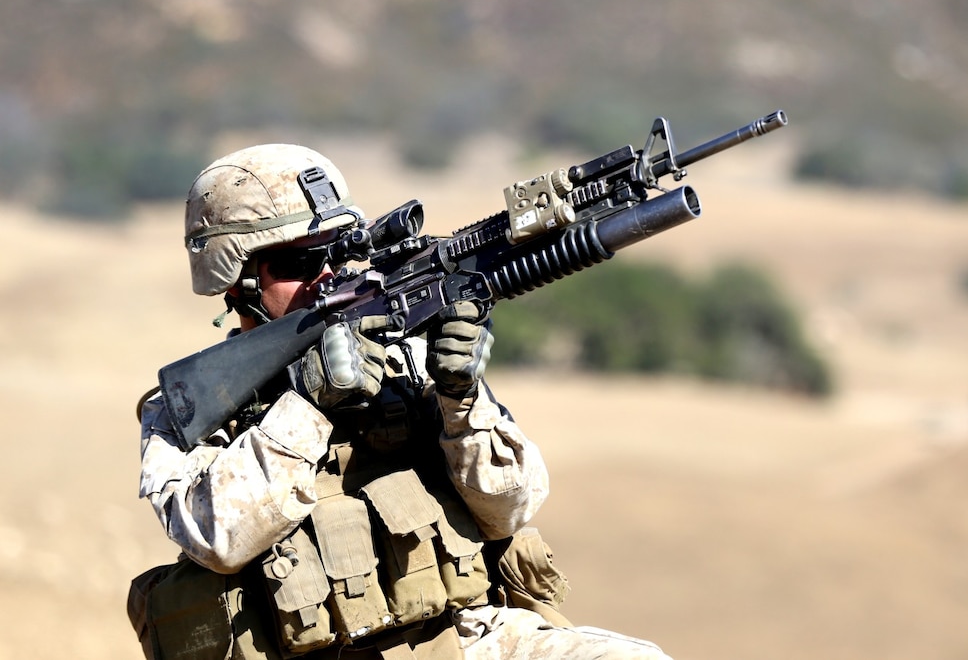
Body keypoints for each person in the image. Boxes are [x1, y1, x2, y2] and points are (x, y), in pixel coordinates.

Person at [131, 143, 671, 660]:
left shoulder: (407, 356)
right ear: (236, 279)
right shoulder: (186, 407)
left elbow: (512, 507)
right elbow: (216, 538)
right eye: (299, 263)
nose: (327, 275)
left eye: (341, 254)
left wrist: (461, 398)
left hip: (464, 637)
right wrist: (310, 406)